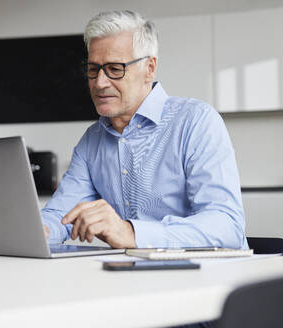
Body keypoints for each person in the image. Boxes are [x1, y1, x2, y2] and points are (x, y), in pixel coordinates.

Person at [41, 10, 248, 250]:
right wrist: (32, 232)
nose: (99, 82)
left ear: (149, 68)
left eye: (115, 69)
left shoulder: (195, 120)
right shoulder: (91, 141)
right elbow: (60, 215)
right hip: (135, 278)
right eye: (93, 69)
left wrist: (131, 232)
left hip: (207, 277)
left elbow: (227, 224)